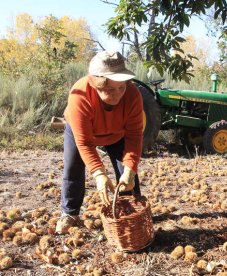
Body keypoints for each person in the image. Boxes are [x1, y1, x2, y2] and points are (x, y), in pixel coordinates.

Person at [56, 51, 144, 234]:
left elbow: (135, 135)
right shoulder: (79, 95)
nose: (118, 94)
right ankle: (70, 214)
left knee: (128, 177)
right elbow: (85, 143)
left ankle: (131, 214)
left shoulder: (133, 95)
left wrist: (130, 168)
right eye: (111, 89)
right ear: (96, 84)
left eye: (121, 88)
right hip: (81, 133)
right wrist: (99, 174)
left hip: (117, 134)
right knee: (73, 168)